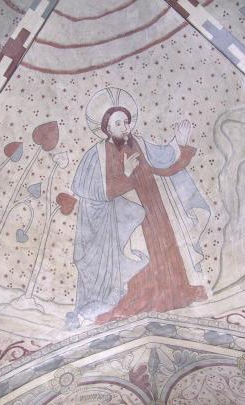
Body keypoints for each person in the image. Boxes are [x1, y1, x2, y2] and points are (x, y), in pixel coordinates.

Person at [67, 88, 210, 328]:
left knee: (161, 249)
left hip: (152, 210)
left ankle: (171, 292)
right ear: (107, 128)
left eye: (126, 122)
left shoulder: (139, 144)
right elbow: (88, 190)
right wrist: (124, 175)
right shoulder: (96, 155)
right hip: (120, 220)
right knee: (136, 256)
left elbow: (165, 161)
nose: (125, 127)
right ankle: (127, 301)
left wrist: (180, 142)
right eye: (118, 123)